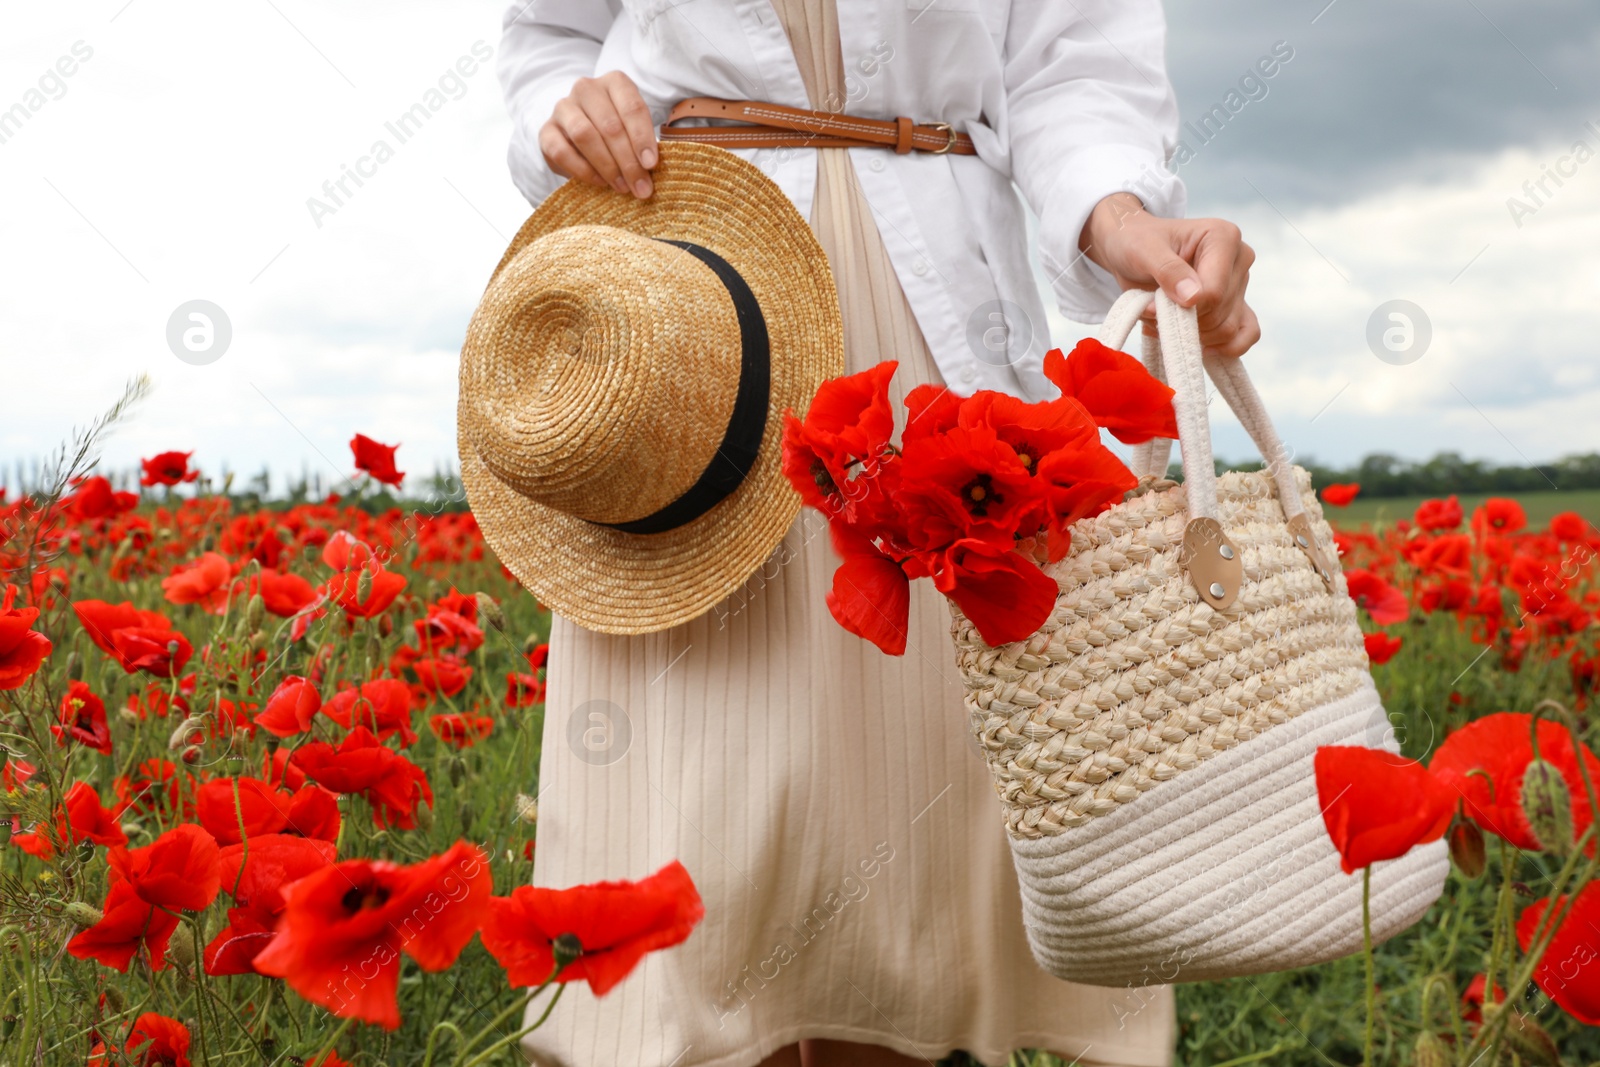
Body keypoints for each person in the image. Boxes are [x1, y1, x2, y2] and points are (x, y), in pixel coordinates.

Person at [495, 3, 1257, 1065]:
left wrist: (1117, 211)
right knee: (704, 844)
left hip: (919, 320)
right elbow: (549, 36)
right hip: (683, 332)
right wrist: (560, 113)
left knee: (901, 856)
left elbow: (1068, 55)